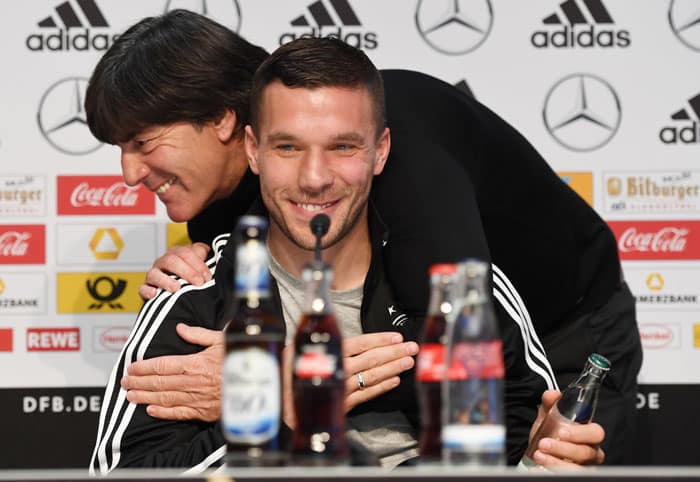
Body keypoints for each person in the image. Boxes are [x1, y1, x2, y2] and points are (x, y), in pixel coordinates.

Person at [85, 9, 638, 467]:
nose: (129, 173)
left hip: (569, 327)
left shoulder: (409, 175)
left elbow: (465, 376)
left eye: (141, 141)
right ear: (253, 148)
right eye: (286, 148)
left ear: (225, 122)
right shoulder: (221, 218)